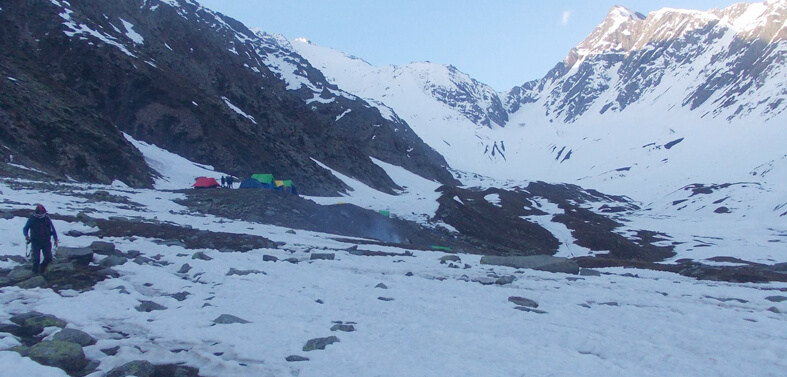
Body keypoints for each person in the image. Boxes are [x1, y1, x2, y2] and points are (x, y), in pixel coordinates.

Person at [23, 204, 58, 274]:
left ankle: (42, 268)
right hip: (35, 242)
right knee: (36, 259)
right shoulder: (32, 218)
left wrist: (55, 239)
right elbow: (25, 228)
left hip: (46, 241)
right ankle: (35, 272)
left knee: (49, 258)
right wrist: (26, 236)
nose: (41, 215)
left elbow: (52, 229)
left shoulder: (46, 218)